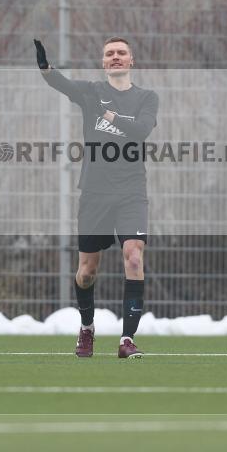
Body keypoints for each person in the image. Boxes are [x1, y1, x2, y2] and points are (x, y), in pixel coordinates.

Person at [35, 37, 158, 359]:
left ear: (131, 60)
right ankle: (87, 327)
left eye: (121, 53)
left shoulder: (147, 97)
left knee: (133, 256)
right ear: (103, 62)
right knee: (87, 271)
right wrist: (46, 68)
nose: (115, 57)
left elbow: (141, 130)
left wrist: (111, 116)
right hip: (94, 193)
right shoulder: (90, 93)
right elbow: (61, 84)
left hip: (132, 192)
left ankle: (127, 339)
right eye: (109, 54)